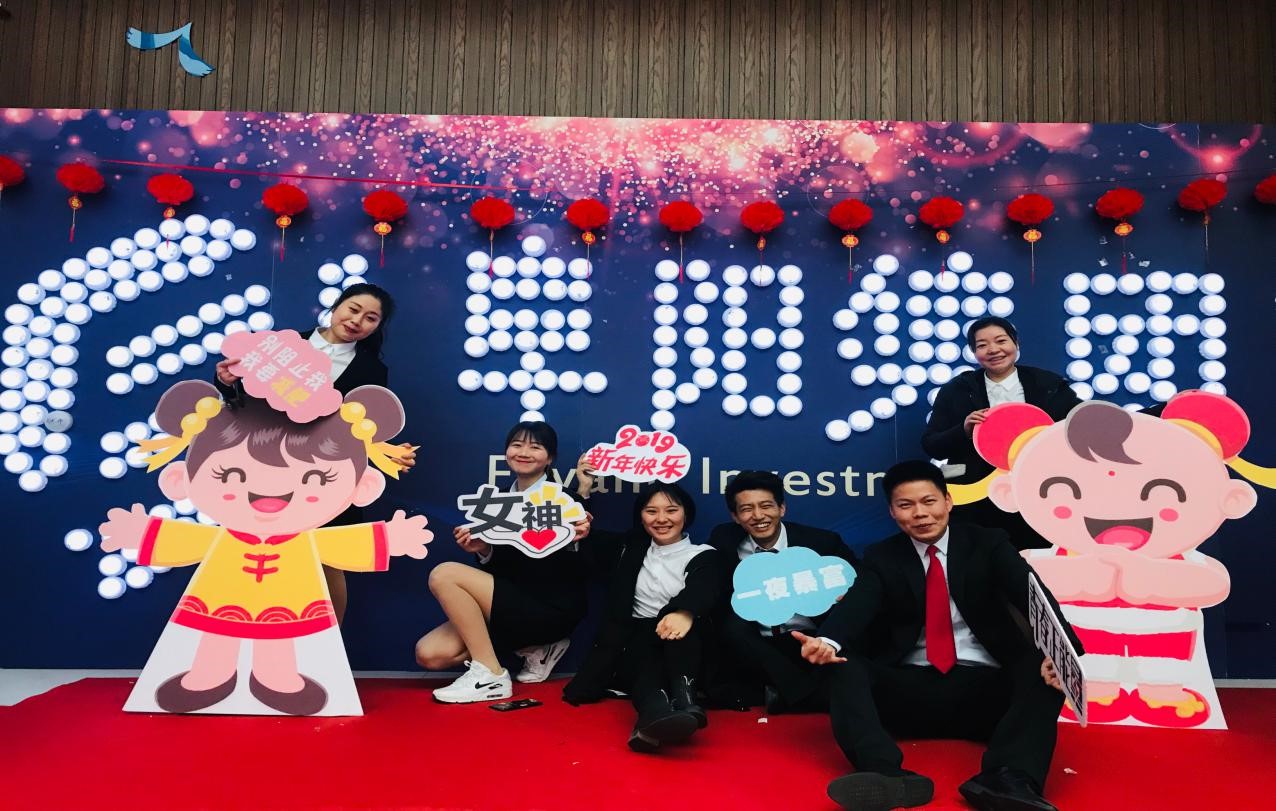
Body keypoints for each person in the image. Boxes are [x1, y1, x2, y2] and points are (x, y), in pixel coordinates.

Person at [796, 460, 1081, 811]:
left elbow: (1031, 595)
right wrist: (827, 641)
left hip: (985, 689)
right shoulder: (882, 556)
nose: (920, 514)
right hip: (909, 690)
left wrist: (1064, 655)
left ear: (948, 501)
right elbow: (859, 603)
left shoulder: (987, 543)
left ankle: (1008, 778)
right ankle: (885, 774)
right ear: (892, 512)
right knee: (842, 664)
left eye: (929, 501)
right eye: (906, 505)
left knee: (1043, 666)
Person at [213, 283, 417, 622]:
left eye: (370, 318)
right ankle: (251, 637)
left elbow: (362, 428)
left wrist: (386, 451)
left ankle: (327, 645)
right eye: (353, 309)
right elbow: (243, 408)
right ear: (336, 306)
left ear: (376, 327)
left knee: (325, 563)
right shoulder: (282, 346)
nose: (357, 321)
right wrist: (227, 383)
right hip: (264, 468)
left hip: (323, 477)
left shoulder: (372, 371)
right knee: (257, 557)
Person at [415, 421, 590, 702]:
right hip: (508, 603)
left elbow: (578, 563)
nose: (524, 452)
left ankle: (491, 676)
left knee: (444, 574)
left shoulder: (564, 500)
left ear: (550, 458)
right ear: (506, 452)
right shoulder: (495, 502)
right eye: (517, 445)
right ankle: (535, 649)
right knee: (430, 654)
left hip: (550, 605)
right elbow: (502, 570)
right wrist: (484, 550)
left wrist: (574, 538)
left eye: (535, 447)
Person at [563, 480, 721, 753]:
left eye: (671, 510)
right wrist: (583, 491)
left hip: (684, 646)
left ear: (686, 514)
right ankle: (662, 711)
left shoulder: (704, 555)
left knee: (678, 629)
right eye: (651, 511)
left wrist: (683, 612)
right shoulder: (628, 548)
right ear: (641, 516)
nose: (661, 519)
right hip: (634, 643)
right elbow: (581, 532)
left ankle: (676, 704)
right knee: (644, 654)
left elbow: (704, 588)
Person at [922, 316, 1080, 550]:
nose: (993, 350)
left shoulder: (1048, 384)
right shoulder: (957, 390)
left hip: (1039, 492)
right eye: (982, 345)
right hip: (978, 497)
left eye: (1001, 341)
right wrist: (963, 430)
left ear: (1016, 343)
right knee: (981, 557)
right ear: (973, 352)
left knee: (1034, 558)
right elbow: (931, 444)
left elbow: (1080, 426)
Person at [706, 470, 857, 713]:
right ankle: (807, 696)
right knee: (732, 624)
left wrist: (847, 594)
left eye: (766, 506)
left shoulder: (823, 543)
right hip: (758, 645)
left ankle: (785, 695)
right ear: (735, 516)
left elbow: (861, 585)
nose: (758, 516)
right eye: (746, 509)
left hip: (810, 639)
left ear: (782, 508)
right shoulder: (724, 540)